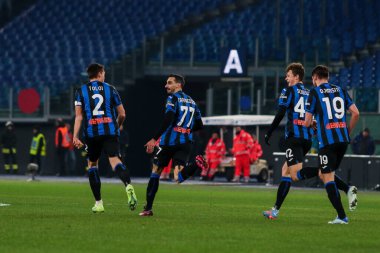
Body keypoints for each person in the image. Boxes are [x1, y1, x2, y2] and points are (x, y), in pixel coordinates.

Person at [263, 63, 356, 220]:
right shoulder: (308, 93)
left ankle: (344, 188)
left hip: (294, 138)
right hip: (307, 138)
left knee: (296, 175)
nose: (286, 78)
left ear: (297, 77)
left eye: (288, 75)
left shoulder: (289, 91)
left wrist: (269, 132)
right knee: (286, 171)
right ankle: (275, 210)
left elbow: (280, 113)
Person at [73, 63, 137, 213]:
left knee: (93, 164)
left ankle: (99, 203)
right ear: (100, 73)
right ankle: (128, 185)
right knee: (115, 160)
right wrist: (116, 126)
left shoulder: (80, 91)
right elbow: (122, 114)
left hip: (91, 133)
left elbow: (79, 116)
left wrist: (75, 136)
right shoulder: (111, 89)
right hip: (110, 131)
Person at [141, 74, 208, 216]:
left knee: (155, 172)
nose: (166, 86)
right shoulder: (192, 101)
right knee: (178, 177)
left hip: (169, 143)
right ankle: (196, 164)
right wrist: (186, 130)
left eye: (169, 83)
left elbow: (168, 119)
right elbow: (200, 125)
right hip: (186, 142)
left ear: (178, 85)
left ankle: (148, 209)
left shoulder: (173, 98)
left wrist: (154, 139)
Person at [305, 65, 360, 224]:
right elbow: (356, 113)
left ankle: (342, 217)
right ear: (327, 77)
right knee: (324, 173)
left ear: (315, 78)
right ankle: (349, 189)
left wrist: (313, 123)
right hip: (342, 140)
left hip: (327, 141)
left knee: (327, 177)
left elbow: (308, 122)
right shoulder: (340, 90)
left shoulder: (314, 92)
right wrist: (347, 132)